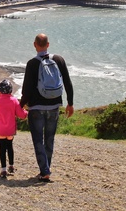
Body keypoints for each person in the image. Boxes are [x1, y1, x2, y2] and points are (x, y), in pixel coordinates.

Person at [20, 33, 74, 182]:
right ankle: (46, 169)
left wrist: (19, 106)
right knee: (49, 139)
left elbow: (27, 90)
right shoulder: (59, 60)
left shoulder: (32, 63)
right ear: (48, 45)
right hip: (54, 106)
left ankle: (45, 170)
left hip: (36, 108)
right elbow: (68, 83)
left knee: (38, 140)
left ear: (35, 45)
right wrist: (70, 103)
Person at [0, 79, 28, 178]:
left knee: (2, 149)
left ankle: (3, 170)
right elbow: (21, 115)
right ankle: (11, 166)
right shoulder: (14, 101)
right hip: (10, 130)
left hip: (0, 130)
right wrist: (26, 112)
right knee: (10, 147)